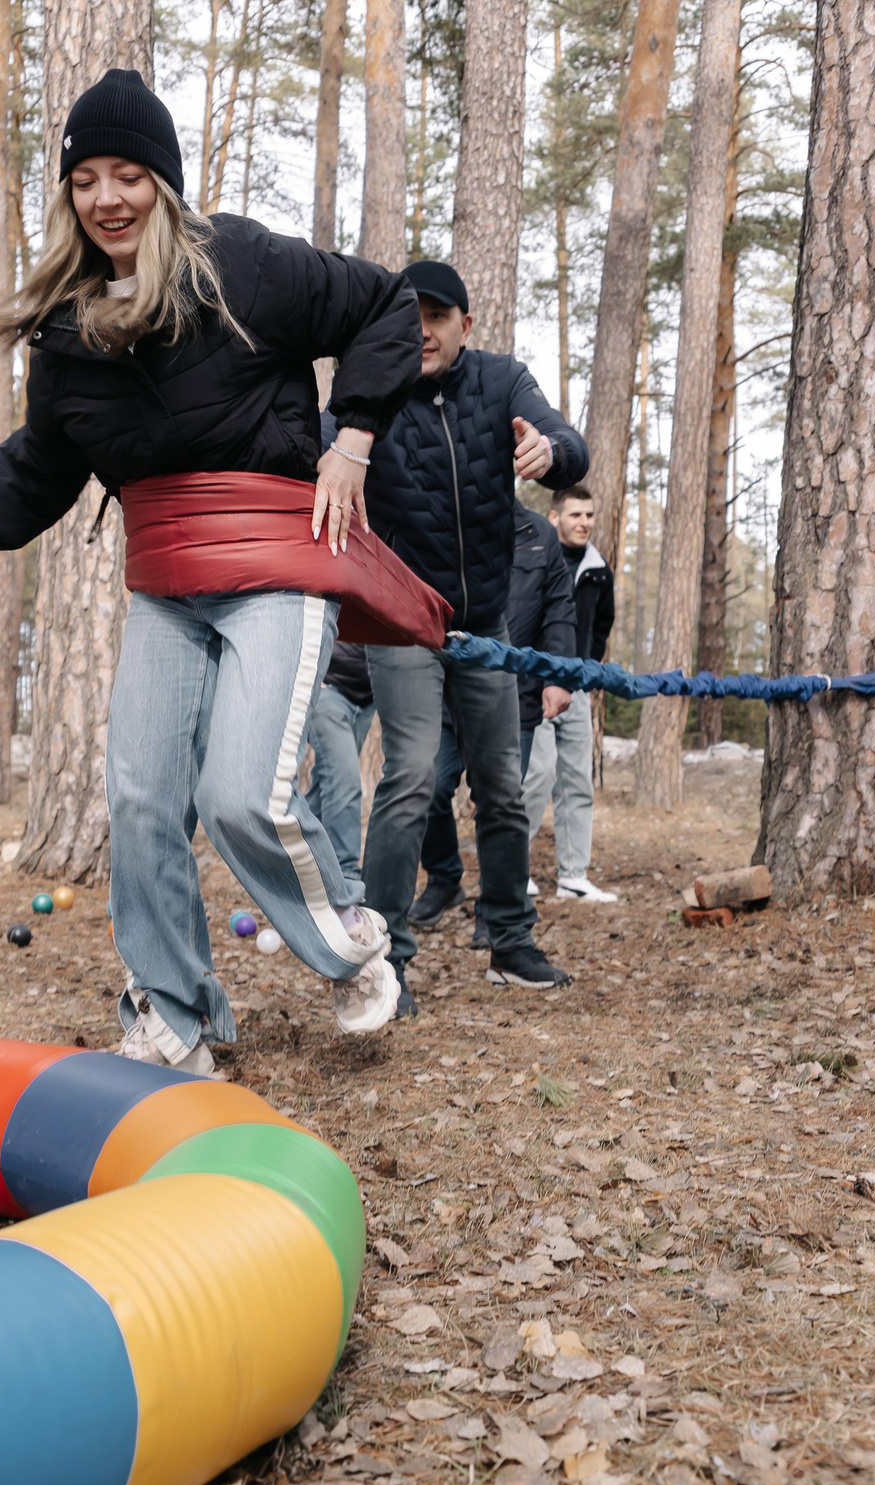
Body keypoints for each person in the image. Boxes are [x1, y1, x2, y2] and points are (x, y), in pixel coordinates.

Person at [0, 69, 426, 1075]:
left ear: (164, 182)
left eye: (129, 175)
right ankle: (174, 1016)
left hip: (275, 563)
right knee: (141, 801)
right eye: (85, 180)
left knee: (241, 795)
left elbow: (387, 304)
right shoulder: (69, 329)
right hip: (167, 585)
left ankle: (351, 943)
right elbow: (46, 458)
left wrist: (353, 441)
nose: (107, 198)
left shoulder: (243, 266)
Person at [357, 259, 588, 998]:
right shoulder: (372, 387)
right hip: (404, 621)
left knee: (501, 785)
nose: (422, 332)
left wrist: (550, 451)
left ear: (465, 324)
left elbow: (565, 442)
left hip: (485, 624)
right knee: (412, 779)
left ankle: (510, 940)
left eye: (437, 317)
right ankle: (385, 959)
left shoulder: (501, 379)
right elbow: (321, 443)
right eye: (410, 318)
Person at [413, 503, 577, 948]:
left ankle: (496, 907)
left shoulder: (540, 534)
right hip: (446, 690)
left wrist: (558, 677)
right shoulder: (445, 518)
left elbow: (559, 610)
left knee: (499, 800)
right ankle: (444, 877)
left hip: (514, 693)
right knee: (428, 786)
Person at [523, 485, 617, 904]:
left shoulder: (598, 570)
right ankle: (513, 870)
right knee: (538, 774)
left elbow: (601, 625)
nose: (584, 522)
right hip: (534, 686)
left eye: (589, 515)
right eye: (575, 514)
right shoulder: (536, 557)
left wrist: (587, 668)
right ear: (554, 517)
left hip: (575, 689)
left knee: (578, 781)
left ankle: (574, 876)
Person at [304, 641, 374, 889]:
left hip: (367, 700)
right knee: (343, 782)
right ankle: (345, 880)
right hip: (328, 689)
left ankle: (295, 866)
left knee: (327, 785)